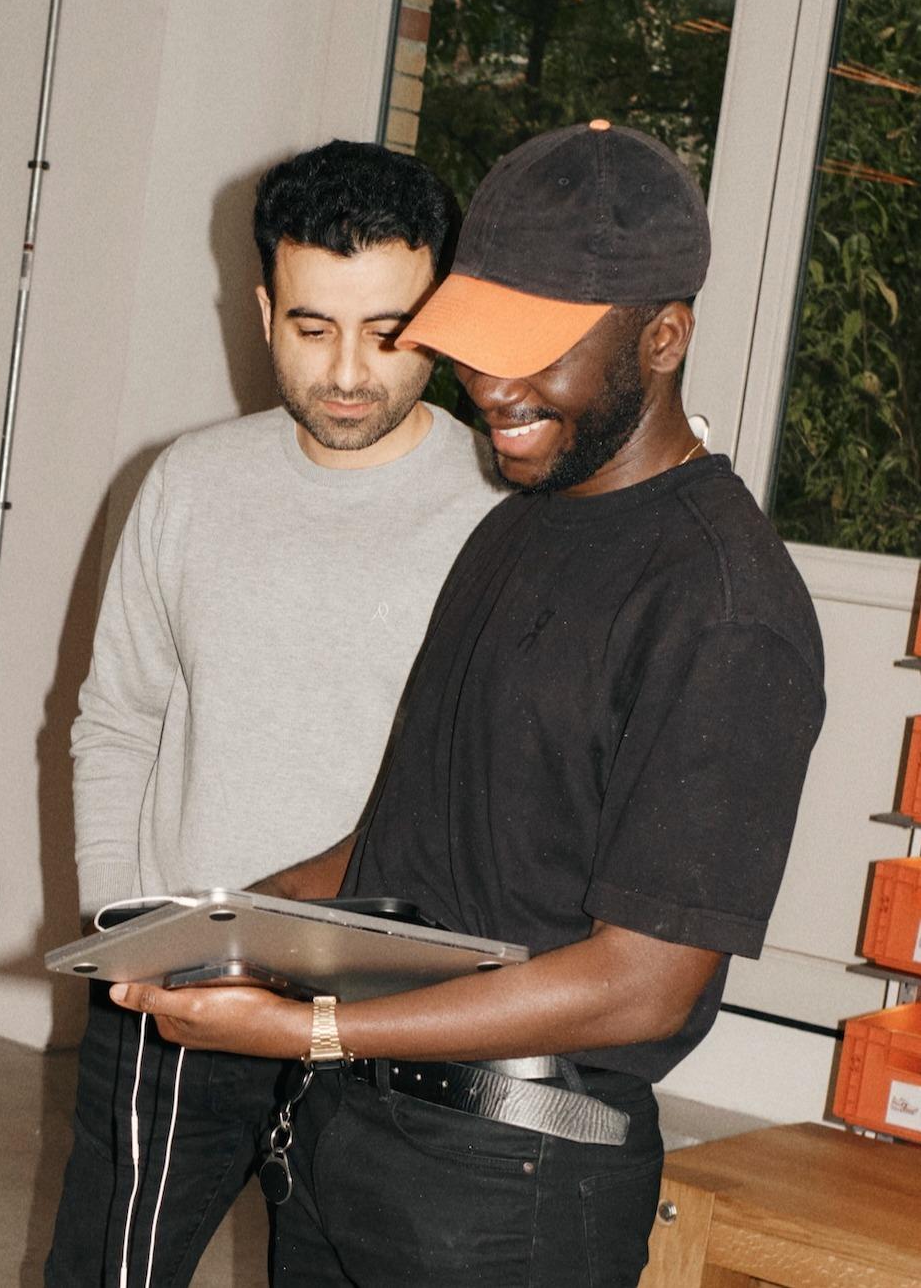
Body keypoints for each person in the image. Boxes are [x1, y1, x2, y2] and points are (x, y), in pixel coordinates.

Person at [108, 122, 826, 1288]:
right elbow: (408, 832)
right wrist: (220, 929)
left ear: (661, 336)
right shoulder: (513, 528)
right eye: (473, 343)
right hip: (352, 1137)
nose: (489, 385)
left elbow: (641, 979)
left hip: (516, 1191)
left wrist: (311, 1029)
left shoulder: (721, 604)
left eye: (533, 352)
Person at [46, 140, 505, 1287]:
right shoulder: (187, 484)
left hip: (391, 1016)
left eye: (387, 331)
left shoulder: (500, 515)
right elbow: (116, 719)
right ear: (260, 309)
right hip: (185, 988)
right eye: (311, 328)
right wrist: (124, 935)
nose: (348, 370)